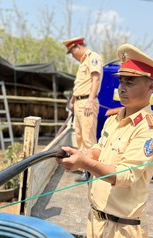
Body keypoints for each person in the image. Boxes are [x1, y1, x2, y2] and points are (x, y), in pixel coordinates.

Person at [57, 44, 153, 238]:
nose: (122, 87)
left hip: (121, 230)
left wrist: (86, 163)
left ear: (151, 86)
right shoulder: (116, 119)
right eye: (121, 81)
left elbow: (125, 176)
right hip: (96, 219)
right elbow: (100, 149)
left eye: (130, 81)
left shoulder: (149, 130)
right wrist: (83, 155)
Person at [62, 36, 103, 182]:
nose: (72, 56)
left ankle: (89, 171)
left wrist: (90, 101)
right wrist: (73, 101)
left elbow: (95, 79)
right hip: (80, 101)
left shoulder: (93, 58)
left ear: (77, 47)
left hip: (87, 101)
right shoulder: (83, 62)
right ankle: (81, 166)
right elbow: (79, 85)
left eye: (72, 52)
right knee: (79, 136)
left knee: (88, 138)